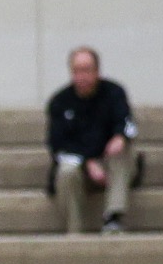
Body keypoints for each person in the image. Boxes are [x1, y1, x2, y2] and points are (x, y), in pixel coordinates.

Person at [47, 47, 140, 235]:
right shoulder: (59, 102)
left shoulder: (114, 93)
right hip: (81, 166)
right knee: (66, 172)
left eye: (87, 70)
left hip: (111, 162)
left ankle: (113, 218)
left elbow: (129, 123)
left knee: (122, 151)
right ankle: (75, 231)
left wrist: (120, 136)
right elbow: (57, 146)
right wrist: (88, 162)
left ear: (97, 71)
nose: (82, 76)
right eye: (77, 71)